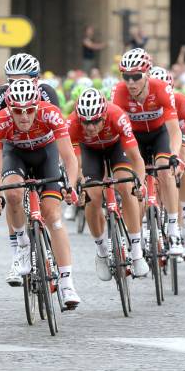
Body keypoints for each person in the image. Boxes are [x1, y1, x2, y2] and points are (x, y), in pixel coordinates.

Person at [0, 79, 81, 308]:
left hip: (45, 156)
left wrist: (70, 185)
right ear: (9, 109)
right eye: (18, 112)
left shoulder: (51, 114)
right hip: (15, 155)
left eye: (30, 110)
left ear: (37, 105)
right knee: (12, 194)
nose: (24, 116)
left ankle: (67, 283)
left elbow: (69, 157)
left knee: (53, 216)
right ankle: (21, 245)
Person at [68, 88, 149, 279]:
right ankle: (101, 251)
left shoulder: (117, 116)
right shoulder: (71, 124)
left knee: (126, 186)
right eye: (86, 122)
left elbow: (136, 158)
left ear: (104, 116)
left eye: (95, 121)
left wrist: (141, 183)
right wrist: (77, 185)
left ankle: (136, 252)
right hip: (90, 151)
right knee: (92, 196)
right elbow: (75, 164)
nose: (90, 126)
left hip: (116, 146)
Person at [112, 49, 184, 255]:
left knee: (165, 171)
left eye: (136, 76)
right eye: (126, 76)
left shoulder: (161, 89)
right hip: (134, 138)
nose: (131, 82)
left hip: (159, 134)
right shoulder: (119, 92)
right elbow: (119, 133)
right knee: (133, 182)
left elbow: (174, 130)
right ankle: (137, 228)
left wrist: (175, 155)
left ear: (147, 74)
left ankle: (173, 227)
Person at [150, 66, 185, 260]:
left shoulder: (182, 103)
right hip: (153, 142)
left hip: (178, 142)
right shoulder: (144, 104)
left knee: (183, 159)